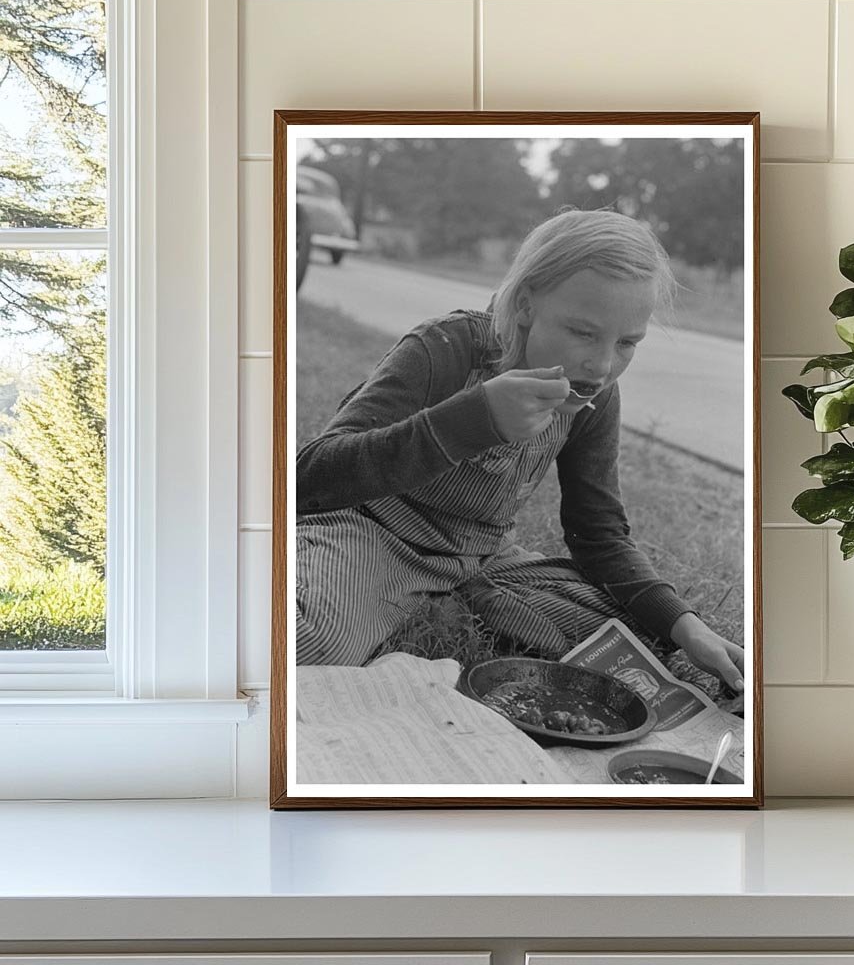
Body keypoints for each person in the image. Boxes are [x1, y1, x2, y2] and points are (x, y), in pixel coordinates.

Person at [295, 208, 745, 693]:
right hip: (372, 534)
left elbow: (598, 534)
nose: (602, 364)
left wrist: (685, 625)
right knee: (308, 641)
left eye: (627, 343)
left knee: (646, 642)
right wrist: (474, 419)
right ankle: (394, 593)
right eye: (583, 333)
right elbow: (309, 479)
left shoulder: (596, 397)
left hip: (484, 558)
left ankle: (458, 599)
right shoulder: (445, 347)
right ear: (526, 305)